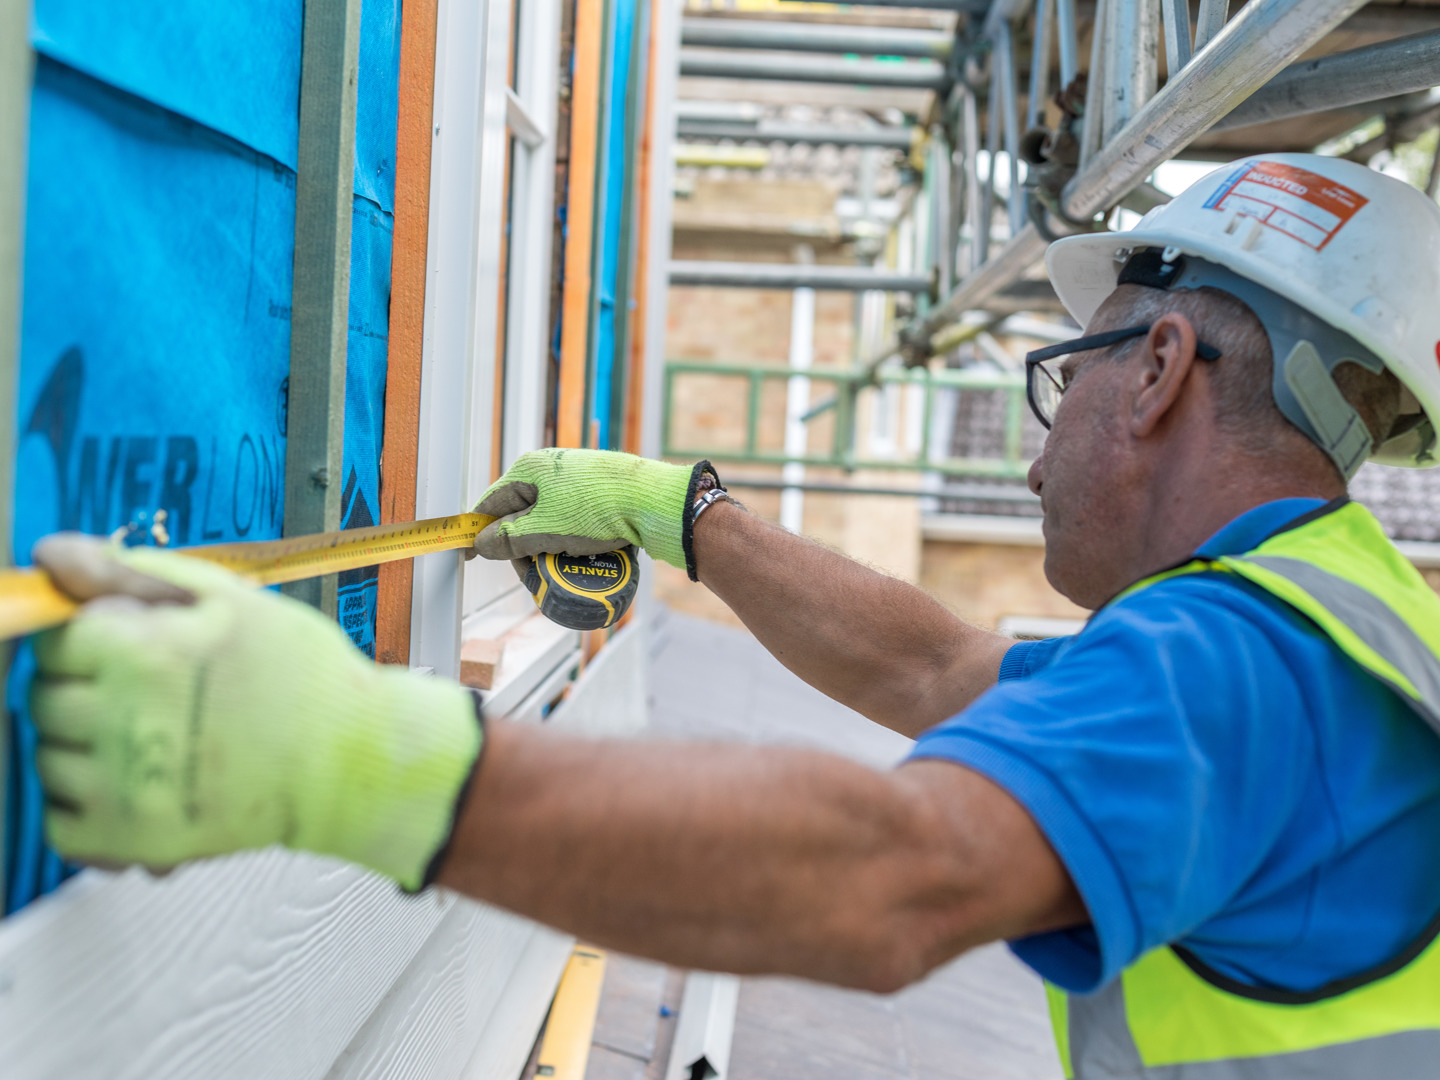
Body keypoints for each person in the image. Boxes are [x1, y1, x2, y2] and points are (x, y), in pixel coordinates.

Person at [29, 153, 1440, 1077]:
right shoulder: (1327, 621)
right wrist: (684, 510)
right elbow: (941, 663)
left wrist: (353, 760)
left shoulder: (1234, 668)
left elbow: (895, 876)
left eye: (1065, 374)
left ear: (1160, 370)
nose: (1035, 446)